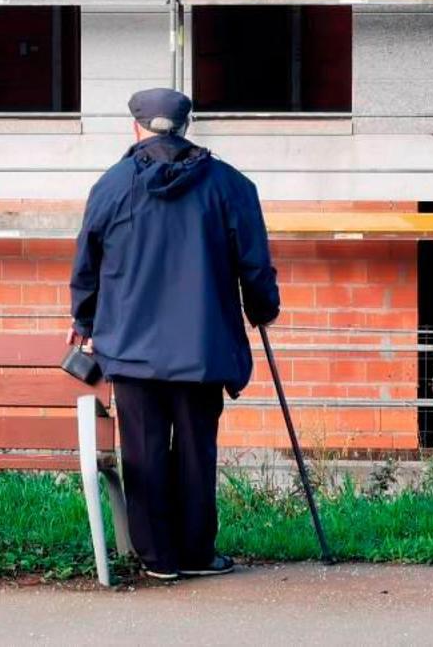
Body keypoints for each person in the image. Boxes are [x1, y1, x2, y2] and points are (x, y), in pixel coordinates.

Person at [68, 88, 280, 580]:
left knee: (141, 451)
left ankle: (157, 559)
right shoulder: (230, 186)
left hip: (131, 348)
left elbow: (87, 267)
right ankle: (196, 553)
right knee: (195, 450)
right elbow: (255, 264)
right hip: (201, 347)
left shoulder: (112, 187)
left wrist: (84, 321)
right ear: (186, 126)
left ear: (136, 127)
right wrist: (262, 309)